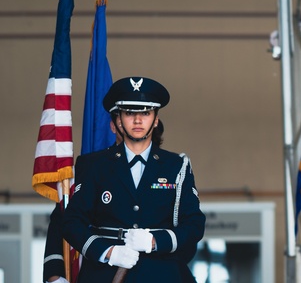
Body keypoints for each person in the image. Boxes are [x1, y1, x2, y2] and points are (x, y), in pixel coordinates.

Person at [62, 76, 206, 282]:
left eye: (145, 113)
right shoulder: (94, 165)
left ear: (155, 120)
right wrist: (108, 251)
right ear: (119, 119)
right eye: (130, 113)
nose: (138, 120)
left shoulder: (176, 165)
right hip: (105, 273)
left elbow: (194, 223)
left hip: (162, 274)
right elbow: (71, 222)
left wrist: (155, 241)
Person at [43, 118, 167, 283]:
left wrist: (154, 242)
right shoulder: (94, 167)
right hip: (99, 272)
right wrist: (55, 275)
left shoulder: (168, 171)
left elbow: (185, 231)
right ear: (114, 126)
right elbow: (65, 219)